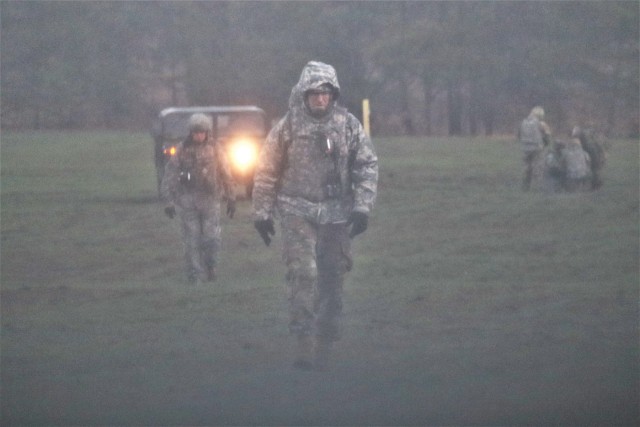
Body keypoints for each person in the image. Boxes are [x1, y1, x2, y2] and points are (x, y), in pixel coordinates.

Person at [251, 61, 378, 370]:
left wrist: (362, 206)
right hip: (296, 209)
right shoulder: (288, 126)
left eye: (326, 93)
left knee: (332, 280)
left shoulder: (348, 125)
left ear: (333, 94)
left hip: (337, 214)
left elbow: (366, 166)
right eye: (314, 94)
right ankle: (303, 343)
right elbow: (266, 170)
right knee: (304, 274)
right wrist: (262, 212)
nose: (320, 99)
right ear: (303, 95)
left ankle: (326, 342)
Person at [161, 113, 236, 284]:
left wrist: (231, 197)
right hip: (188, 200)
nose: (199, 136)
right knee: (191, 240)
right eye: (196, 132)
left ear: (207, 132)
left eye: (202, 132)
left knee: (211, 238)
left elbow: (226, 172)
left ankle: (211, 267)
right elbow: (171, 174)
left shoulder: (216, 148)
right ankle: (194, 275)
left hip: (210, 200)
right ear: (191, 133)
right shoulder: (182, 149)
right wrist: (169, 201)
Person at [518, 106, 552, 191]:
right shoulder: (540, 123)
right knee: (538, 168)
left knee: (526, 168)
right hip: (537, 148)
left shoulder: (523, 122)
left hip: (525, 148)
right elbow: (547, 136)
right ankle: (537, 188)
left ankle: (525, 188)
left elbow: (519, 135)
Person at [572, 126, 606, 190]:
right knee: (594, 170)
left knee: (594, 169)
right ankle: (596, 183)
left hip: (592, 155)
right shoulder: (586, 138)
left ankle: (596, 184)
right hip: (592, 154)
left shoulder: (585, 141)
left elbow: (586, 147)